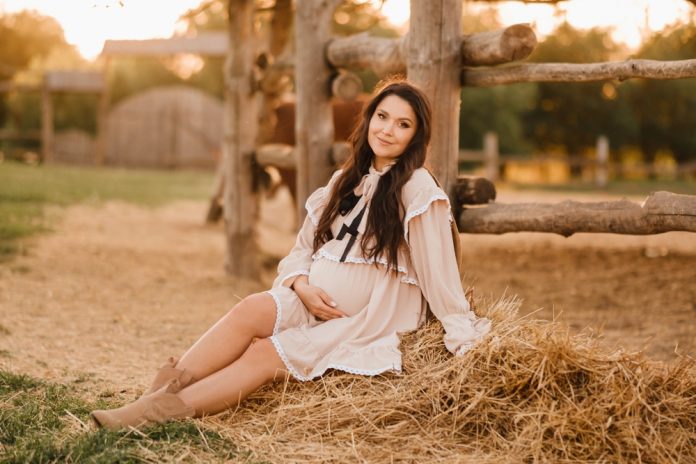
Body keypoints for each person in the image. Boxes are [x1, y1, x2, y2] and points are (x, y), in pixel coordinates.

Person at [90, 79, 492, 430]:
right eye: (382, 117)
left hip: (367, 319)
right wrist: (301, 285)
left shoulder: (418, 188)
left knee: (265, 353)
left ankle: (161, 412)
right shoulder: (344, 180)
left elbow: (439, 272)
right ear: (368, 118)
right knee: (250, 308)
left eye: (403, 124)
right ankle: (153, 395)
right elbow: (302, 249)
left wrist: (461, 329)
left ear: (415, 137)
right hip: (311, 298)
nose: (388, 130)